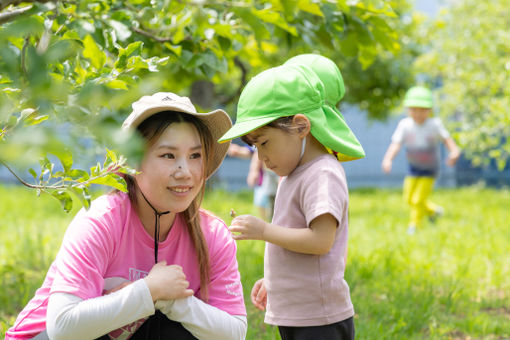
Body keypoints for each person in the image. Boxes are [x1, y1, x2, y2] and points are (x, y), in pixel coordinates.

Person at [5, 92, 247, 340]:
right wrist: (147, 290)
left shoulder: (212, 234)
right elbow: (62, 328)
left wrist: (173, 302)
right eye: (168, 155)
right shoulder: (101, 220)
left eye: (195, 156)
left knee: (175, 330)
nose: (185, 171)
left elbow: (235, 332)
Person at [218, 57, 365, 340]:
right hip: (301, 313)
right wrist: (277, 281)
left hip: (319, 319)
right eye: (255, 147)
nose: (261, 157)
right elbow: (298, 248)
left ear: (300, 127)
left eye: (264, 143)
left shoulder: (322, 173)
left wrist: (264, 231)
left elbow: (321, 241)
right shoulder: (295, 174)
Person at [381, 86, 460, 234]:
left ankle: (414, 226)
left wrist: (454, 152)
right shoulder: (405, 125)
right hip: (413, 167)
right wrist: (388, 159)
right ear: (408, 110)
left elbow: (447, 140)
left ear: (430, 110)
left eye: (422, 109)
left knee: (417, 200)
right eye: (414, 109)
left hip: (429, 169)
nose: (418, 113)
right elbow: (396, 144)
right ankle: (434, 211)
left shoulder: (434, 124)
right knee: (409, 198)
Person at [227, 144, 279, 221]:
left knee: (275, 201)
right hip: (264, 179)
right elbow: (252, 151)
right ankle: (266, 221)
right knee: (261, 202)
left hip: (275, 177)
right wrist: (238, 151)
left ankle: (272, 221)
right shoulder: (260, 143)